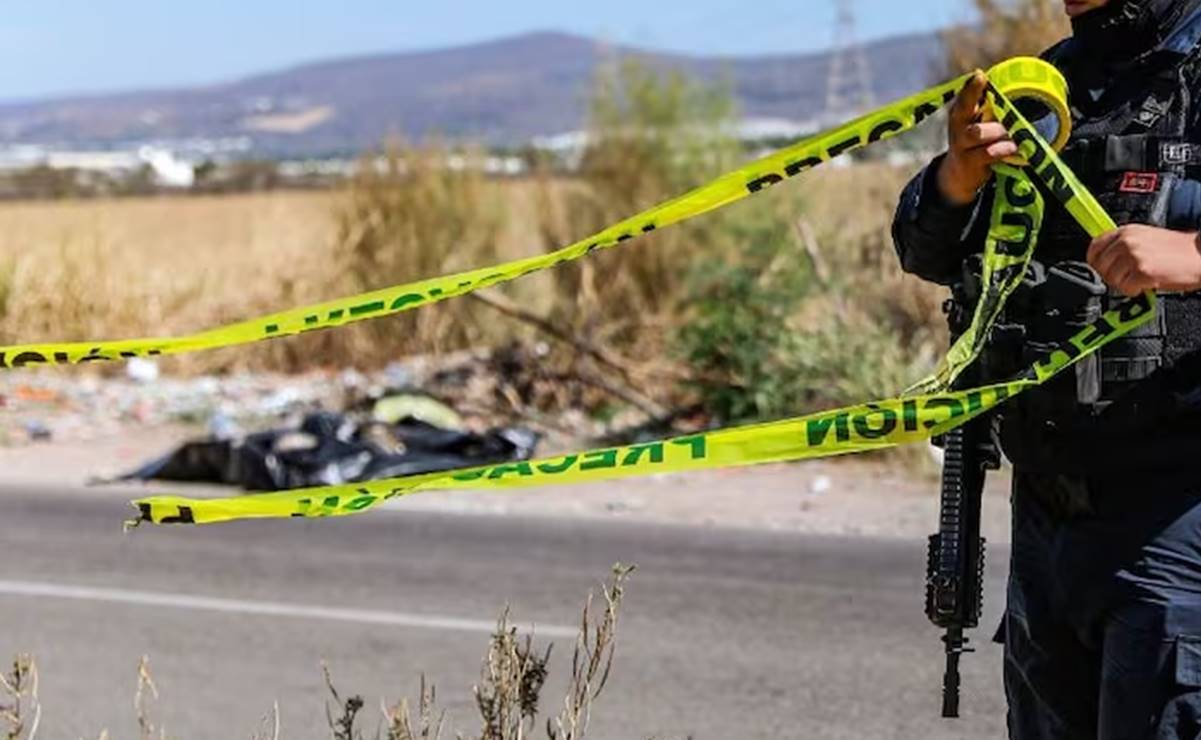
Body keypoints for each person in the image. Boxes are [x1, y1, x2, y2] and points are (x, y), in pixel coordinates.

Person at [892, 1, 1201, 737]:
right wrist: (957, 178)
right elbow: (928, 253)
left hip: (1176, 507)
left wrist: (1192, 259)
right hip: (1048, 509)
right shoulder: (1049, 82)